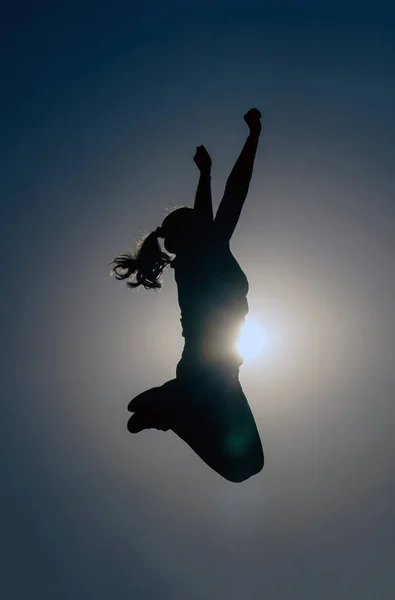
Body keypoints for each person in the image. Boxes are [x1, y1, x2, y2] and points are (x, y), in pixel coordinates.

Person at [111, 109, 264, 482]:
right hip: (209, 370)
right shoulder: (205, 251)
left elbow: (205, 212)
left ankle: (173, 409)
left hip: (210, 370)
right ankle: (174, 407)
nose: (207, 219)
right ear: (192, 231)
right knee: (246, 465)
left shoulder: (192, 259)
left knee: (245, 465)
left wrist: (204, 174)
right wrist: (253, 136)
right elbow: (236, 192)